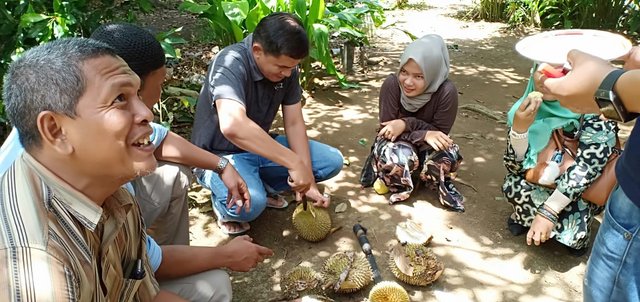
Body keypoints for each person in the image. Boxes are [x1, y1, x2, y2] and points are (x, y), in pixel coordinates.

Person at [0, 26, 273, 301]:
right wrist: (223, 254)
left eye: (137, 95)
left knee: (214, 282)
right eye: (120, 99)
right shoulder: (38, 271)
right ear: (56, 130)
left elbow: (144, 293)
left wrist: (222, 166)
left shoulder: (111, 188)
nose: (146, 112)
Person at [191, 12, 344, 234]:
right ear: (257, 51)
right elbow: (233, 125)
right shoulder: (230, 63)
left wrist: (307, 180)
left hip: (258, 147)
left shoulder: (287, 67)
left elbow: (293, 123)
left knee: (331, 161)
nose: (288, 73)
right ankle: (224, 205)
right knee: (250, 207)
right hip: (218, 157)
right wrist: (294, 163)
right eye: (282, 67)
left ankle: (260, 184)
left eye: (293, 67)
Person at [538, 48, 640, 301]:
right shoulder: (531, 108)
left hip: (632, 201)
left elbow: (588, 167)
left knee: (606, 291)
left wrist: (611, 85)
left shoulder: (595, 121)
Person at [502, 66, 618, 256]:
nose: (544, 79)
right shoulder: (525, 107)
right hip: (537, 177)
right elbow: (514, 166)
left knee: (578, 211)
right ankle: (526, 218)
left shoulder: (596, 112)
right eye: (540, 69)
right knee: (515, 183)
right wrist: (519, 130)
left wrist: (549, 210)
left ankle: (569, 234)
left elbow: (587, 168)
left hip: (578, 189)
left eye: (559, 72)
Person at [364, 34, 464, 210]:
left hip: (425, 146)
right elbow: (387, 132)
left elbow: (438, 134)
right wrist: (424, 133)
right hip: (397, 143)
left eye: (418, 76)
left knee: (447, 156)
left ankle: (418, 174)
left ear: (433, 74)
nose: (408, 82)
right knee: (396, 157)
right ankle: (404, 176)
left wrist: (404, 124)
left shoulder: (446, 92)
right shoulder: (392, 85)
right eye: (404, 72)